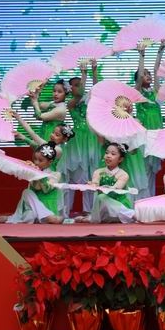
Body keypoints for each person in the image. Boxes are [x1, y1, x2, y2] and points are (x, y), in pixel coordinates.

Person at [62, 58, 103, 215]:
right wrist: (83, 73)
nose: (80, 87)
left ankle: (90, 210)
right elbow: (79, 94)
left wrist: (94, 71)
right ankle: (66, 209)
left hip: (91, 138)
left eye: (80, 84)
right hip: (78, 140)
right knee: (75, 174)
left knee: (92, 173)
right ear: (69, 88)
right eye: (76, 85)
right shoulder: (71, 103)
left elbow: (97, 89)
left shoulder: (89, 100)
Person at [0, 143, 64, 224]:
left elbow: (46, 189)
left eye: (40, 160)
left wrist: (39, 174)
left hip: (48, 209)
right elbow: (36, 187)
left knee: (26, 192)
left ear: (50, 162)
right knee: (28, 202)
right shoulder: (33, 173)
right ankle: (44, 217)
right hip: (35, 211)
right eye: (35, 159)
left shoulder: (56, 174)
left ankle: (13, 218)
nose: (36, 162)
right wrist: (31, 170)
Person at [134, 39, 165, 196]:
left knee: (153, 169)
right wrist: (142, 54)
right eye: (144, 74)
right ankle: (141, 199)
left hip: (157, 134)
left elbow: (156, 69)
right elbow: (140, 75)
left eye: (148, 74)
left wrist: (161, 48)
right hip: (144, 134)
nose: (147, 76)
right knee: (144, 167)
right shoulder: (138, 92)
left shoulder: (155, 91)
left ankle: (150, 199)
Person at [76, 143, 134, 223]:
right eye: (106, 153)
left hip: (119, 208)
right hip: (104, 210)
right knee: (101, 197)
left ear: (120, 159)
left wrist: (107, 187)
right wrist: (92, 185)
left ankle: (129, 214)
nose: (108, 156)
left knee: (101, 197)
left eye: (113, 154)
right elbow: (95, 183)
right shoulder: (98, 172)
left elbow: (117, 187)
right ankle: (91, 218)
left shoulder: (123, 174)